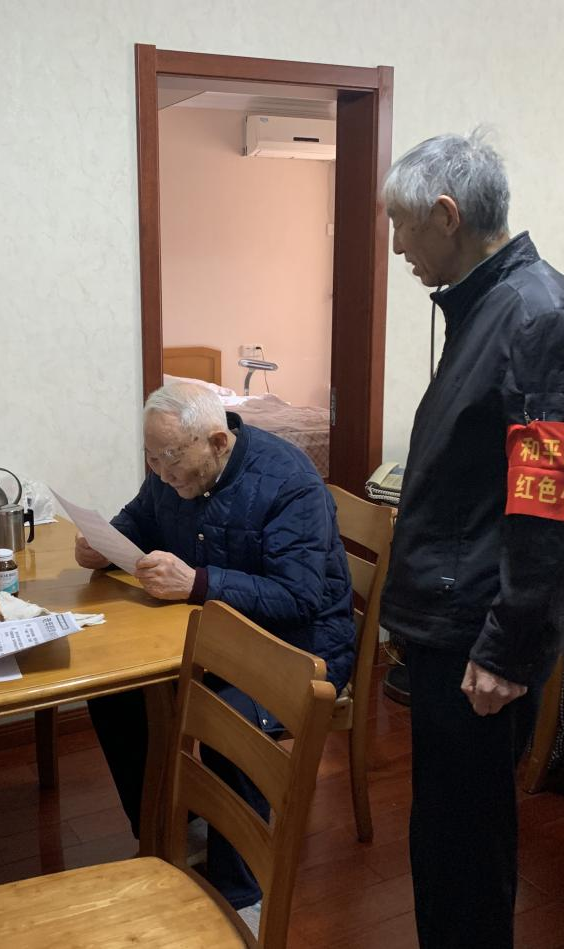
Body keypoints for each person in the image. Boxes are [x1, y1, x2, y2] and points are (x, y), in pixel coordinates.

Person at [379, 130, 564, 948]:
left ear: (447, 215)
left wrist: (510, 650)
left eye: (403, 225)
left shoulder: (540, 315)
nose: (397, 246)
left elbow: (562, 507)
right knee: (444, 837)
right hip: (450, 623)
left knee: (469, 854)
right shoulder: (486, 306)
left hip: (478, 635)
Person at [75, 382, 354, 926]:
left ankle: (243, 893)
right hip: (215, 637)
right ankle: (175, 828)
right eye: (151, 458)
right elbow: (137, 520)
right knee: (115, 694)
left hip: (299, 648)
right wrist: (101, 545)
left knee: (226, 714)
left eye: (170, 459)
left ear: (219, 442)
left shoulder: (289, 482)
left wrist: (197, 582)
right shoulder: (172, 468)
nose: (161, 472)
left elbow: (299, 597)